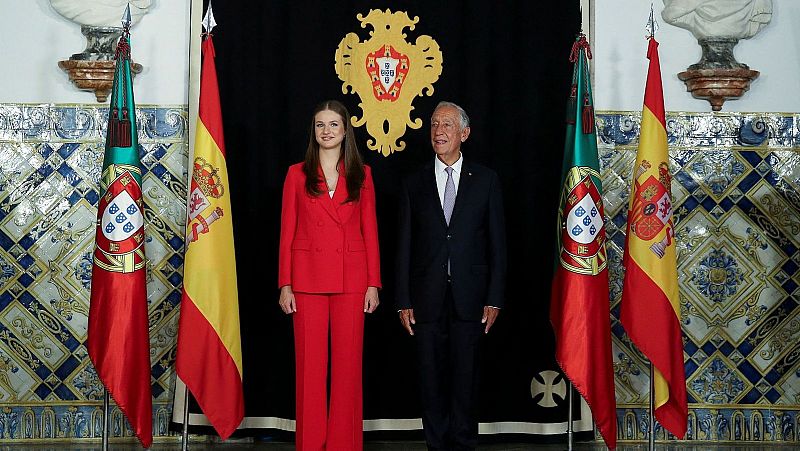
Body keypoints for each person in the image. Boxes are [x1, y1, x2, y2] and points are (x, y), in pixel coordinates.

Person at [396, 101, 506, 450]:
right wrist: (402, 300)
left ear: (464, 133)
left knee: (465, 380)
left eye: (446, 125)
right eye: (433, 125)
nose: (438, 131)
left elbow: (497, 245)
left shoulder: (486, 180)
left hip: (471, 299)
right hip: (425, 299)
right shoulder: (413, 182)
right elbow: (403, 245)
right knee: (430, 381)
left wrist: (494, 297)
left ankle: (463, 443)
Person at [278, 100, 381, 451]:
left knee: (348, 369)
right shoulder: (296, 174)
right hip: (306, 280)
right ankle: (309, 444)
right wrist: (285, 284)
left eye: (334, 124)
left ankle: (344, 444)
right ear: (314, 131)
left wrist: (373, 283)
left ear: (345, 130)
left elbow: (370, 231)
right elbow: (287, 231)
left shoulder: (362, 174)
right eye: (320, 124)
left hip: (352, 280)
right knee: (309, 370)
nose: (327, 131)